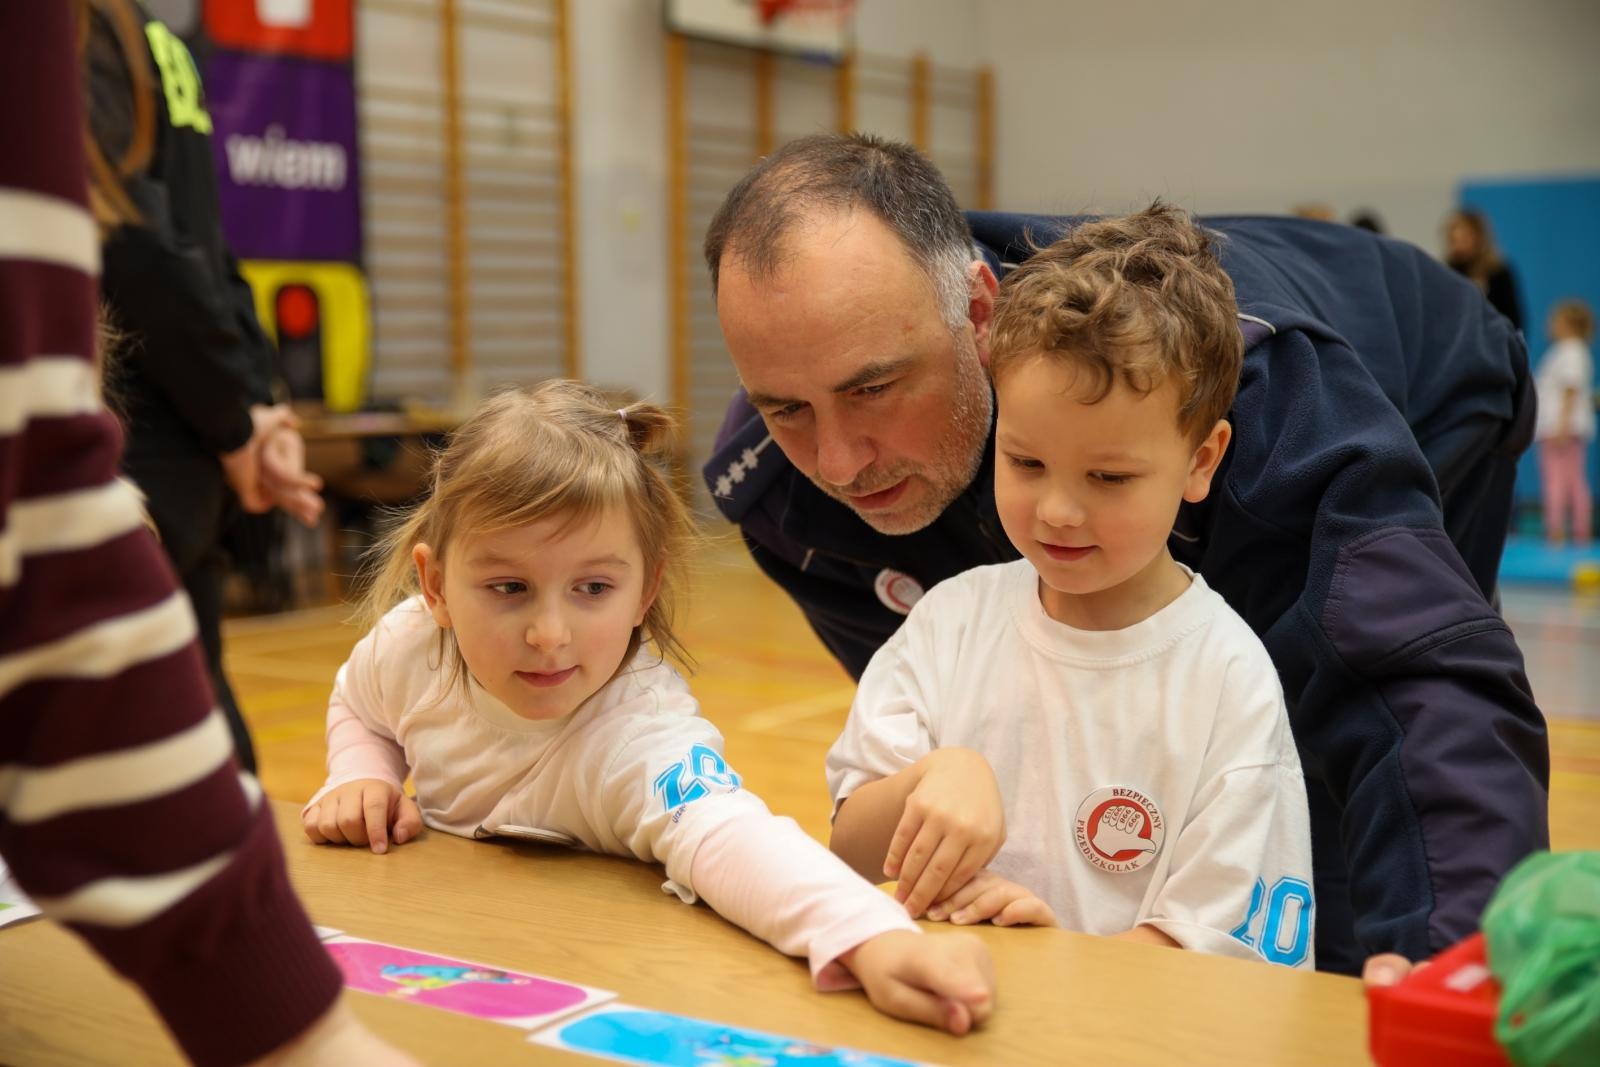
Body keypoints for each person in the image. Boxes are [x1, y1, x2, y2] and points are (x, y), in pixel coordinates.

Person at [701, 133, 1549, 982]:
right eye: (786, 409)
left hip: (1429, 379)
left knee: (1312, 795)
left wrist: (1464, 968)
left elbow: (1419, 680)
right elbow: (963, 750)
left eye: (872, 389)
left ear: (981, 316)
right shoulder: (778, 493)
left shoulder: (1260, 398)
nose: (840, 461)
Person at [301, 381, 997, 1035]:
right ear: (436, 584)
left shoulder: (641, 733)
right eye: (509, 587)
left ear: (645, 589)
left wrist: (872, 937)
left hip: (594, 974)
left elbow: (730, 837)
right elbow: (360, 705)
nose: (550, 634)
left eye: (593, 587)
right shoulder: (409, 646)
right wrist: (362, 772)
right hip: (454, 959)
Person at [1, 5, 409, 1064]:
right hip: (164, 430)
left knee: (185, 689)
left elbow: (175, 240)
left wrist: (253, 408)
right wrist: (244, 412)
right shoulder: (132, 37)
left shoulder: (133, 43)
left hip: (164, 431)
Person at [824, 205, 1316, 968]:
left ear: (1201, 460)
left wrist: (1052, 959)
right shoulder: (949, 622)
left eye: (1108, 476)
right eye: (1025, 462)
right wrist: (934, 775)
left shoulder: (1228, 680)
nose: (1056, 509)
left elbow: (1224, 965)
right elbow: (850, 849)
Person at [84, 0, 325, 773]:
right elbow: (200, 252)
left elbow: (146, 240)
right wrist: (250, 405)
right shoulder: (153, 33)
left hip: (128, 428)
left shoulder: (93, 26)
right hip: (182, 429)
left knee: (147, 736)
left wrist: (243, 415)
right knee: (191, 709)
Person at [1534, 300, 1595, 545]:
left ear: (1569, 324)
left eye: (1555, 320)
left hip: (1561, 428)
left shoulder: (1571, 350)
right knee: (1570, 479)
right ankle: (1577, 531)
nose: (1550, 325)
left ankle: (1557, 531)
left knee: (1558, 480)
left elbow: (1571, 389)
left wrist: (1562, 424)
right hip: (1563, 427)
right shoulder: (1569, 351)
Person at [1445, 207, 1524, 334]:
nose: (1459, 244)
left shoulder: (1498, 272)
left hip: (1492, 341)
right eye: (1454, 239)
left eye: (1465, 237)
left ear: (1479, 237)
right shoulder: (1447, 271)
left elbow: (1513, 318)